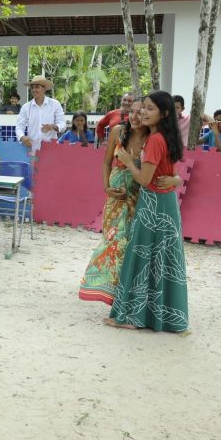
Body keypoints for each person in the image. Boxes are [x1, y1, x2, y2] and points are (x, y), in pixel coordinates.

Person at [79, 98, 180, 304]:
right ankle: (110, 291)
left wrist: (175, 180)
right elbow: (107, 163)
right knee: (114, 240)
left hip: (140, 196)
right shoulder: (118, 132)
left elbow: (169, 170)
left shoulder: (153, 138)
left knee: (130, 244)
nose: (135, 116)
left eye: (140, 111)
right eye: (131, 112)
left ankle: (125, 294)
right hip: (116, 197)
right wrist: (107, 187)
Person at [109, 91, 188, 333]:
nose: (143, 112)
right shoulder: (163, 136)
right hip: (164, 204)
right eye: (143, 107)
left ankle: (134, 316)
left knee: (142, 257)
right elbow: (171, 172)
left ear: (163, 114)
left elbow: (144, 179)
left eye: (149, 108)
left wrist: (128, 161)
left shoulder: (155, 140)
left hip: (154, 204)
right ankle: (157, 317)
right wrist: (175, 180)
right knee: (160, 261)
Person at [15, 75, 65, 156]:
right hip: (32, 150)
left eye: (37, 87)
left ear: (44, 88)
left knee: (50, 169)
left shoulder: (55, 104)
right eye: (32, 87)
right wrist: (22, 137)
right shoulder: (26, 107)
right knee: (32, 169)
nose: (34, 90)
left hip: (51, 151)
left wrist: (52, 126)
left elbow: (62, 125)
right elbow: (19, 127)